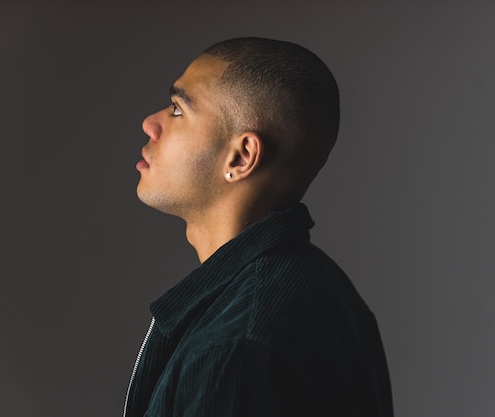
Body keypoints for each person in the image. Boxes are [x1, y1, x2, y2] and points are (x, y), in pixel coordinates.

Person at [124, 37, 394, 417]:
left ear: (241, 156)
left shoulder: (236, 346)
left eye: (178, 109)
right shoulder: (324, 289)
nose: (150, 123)